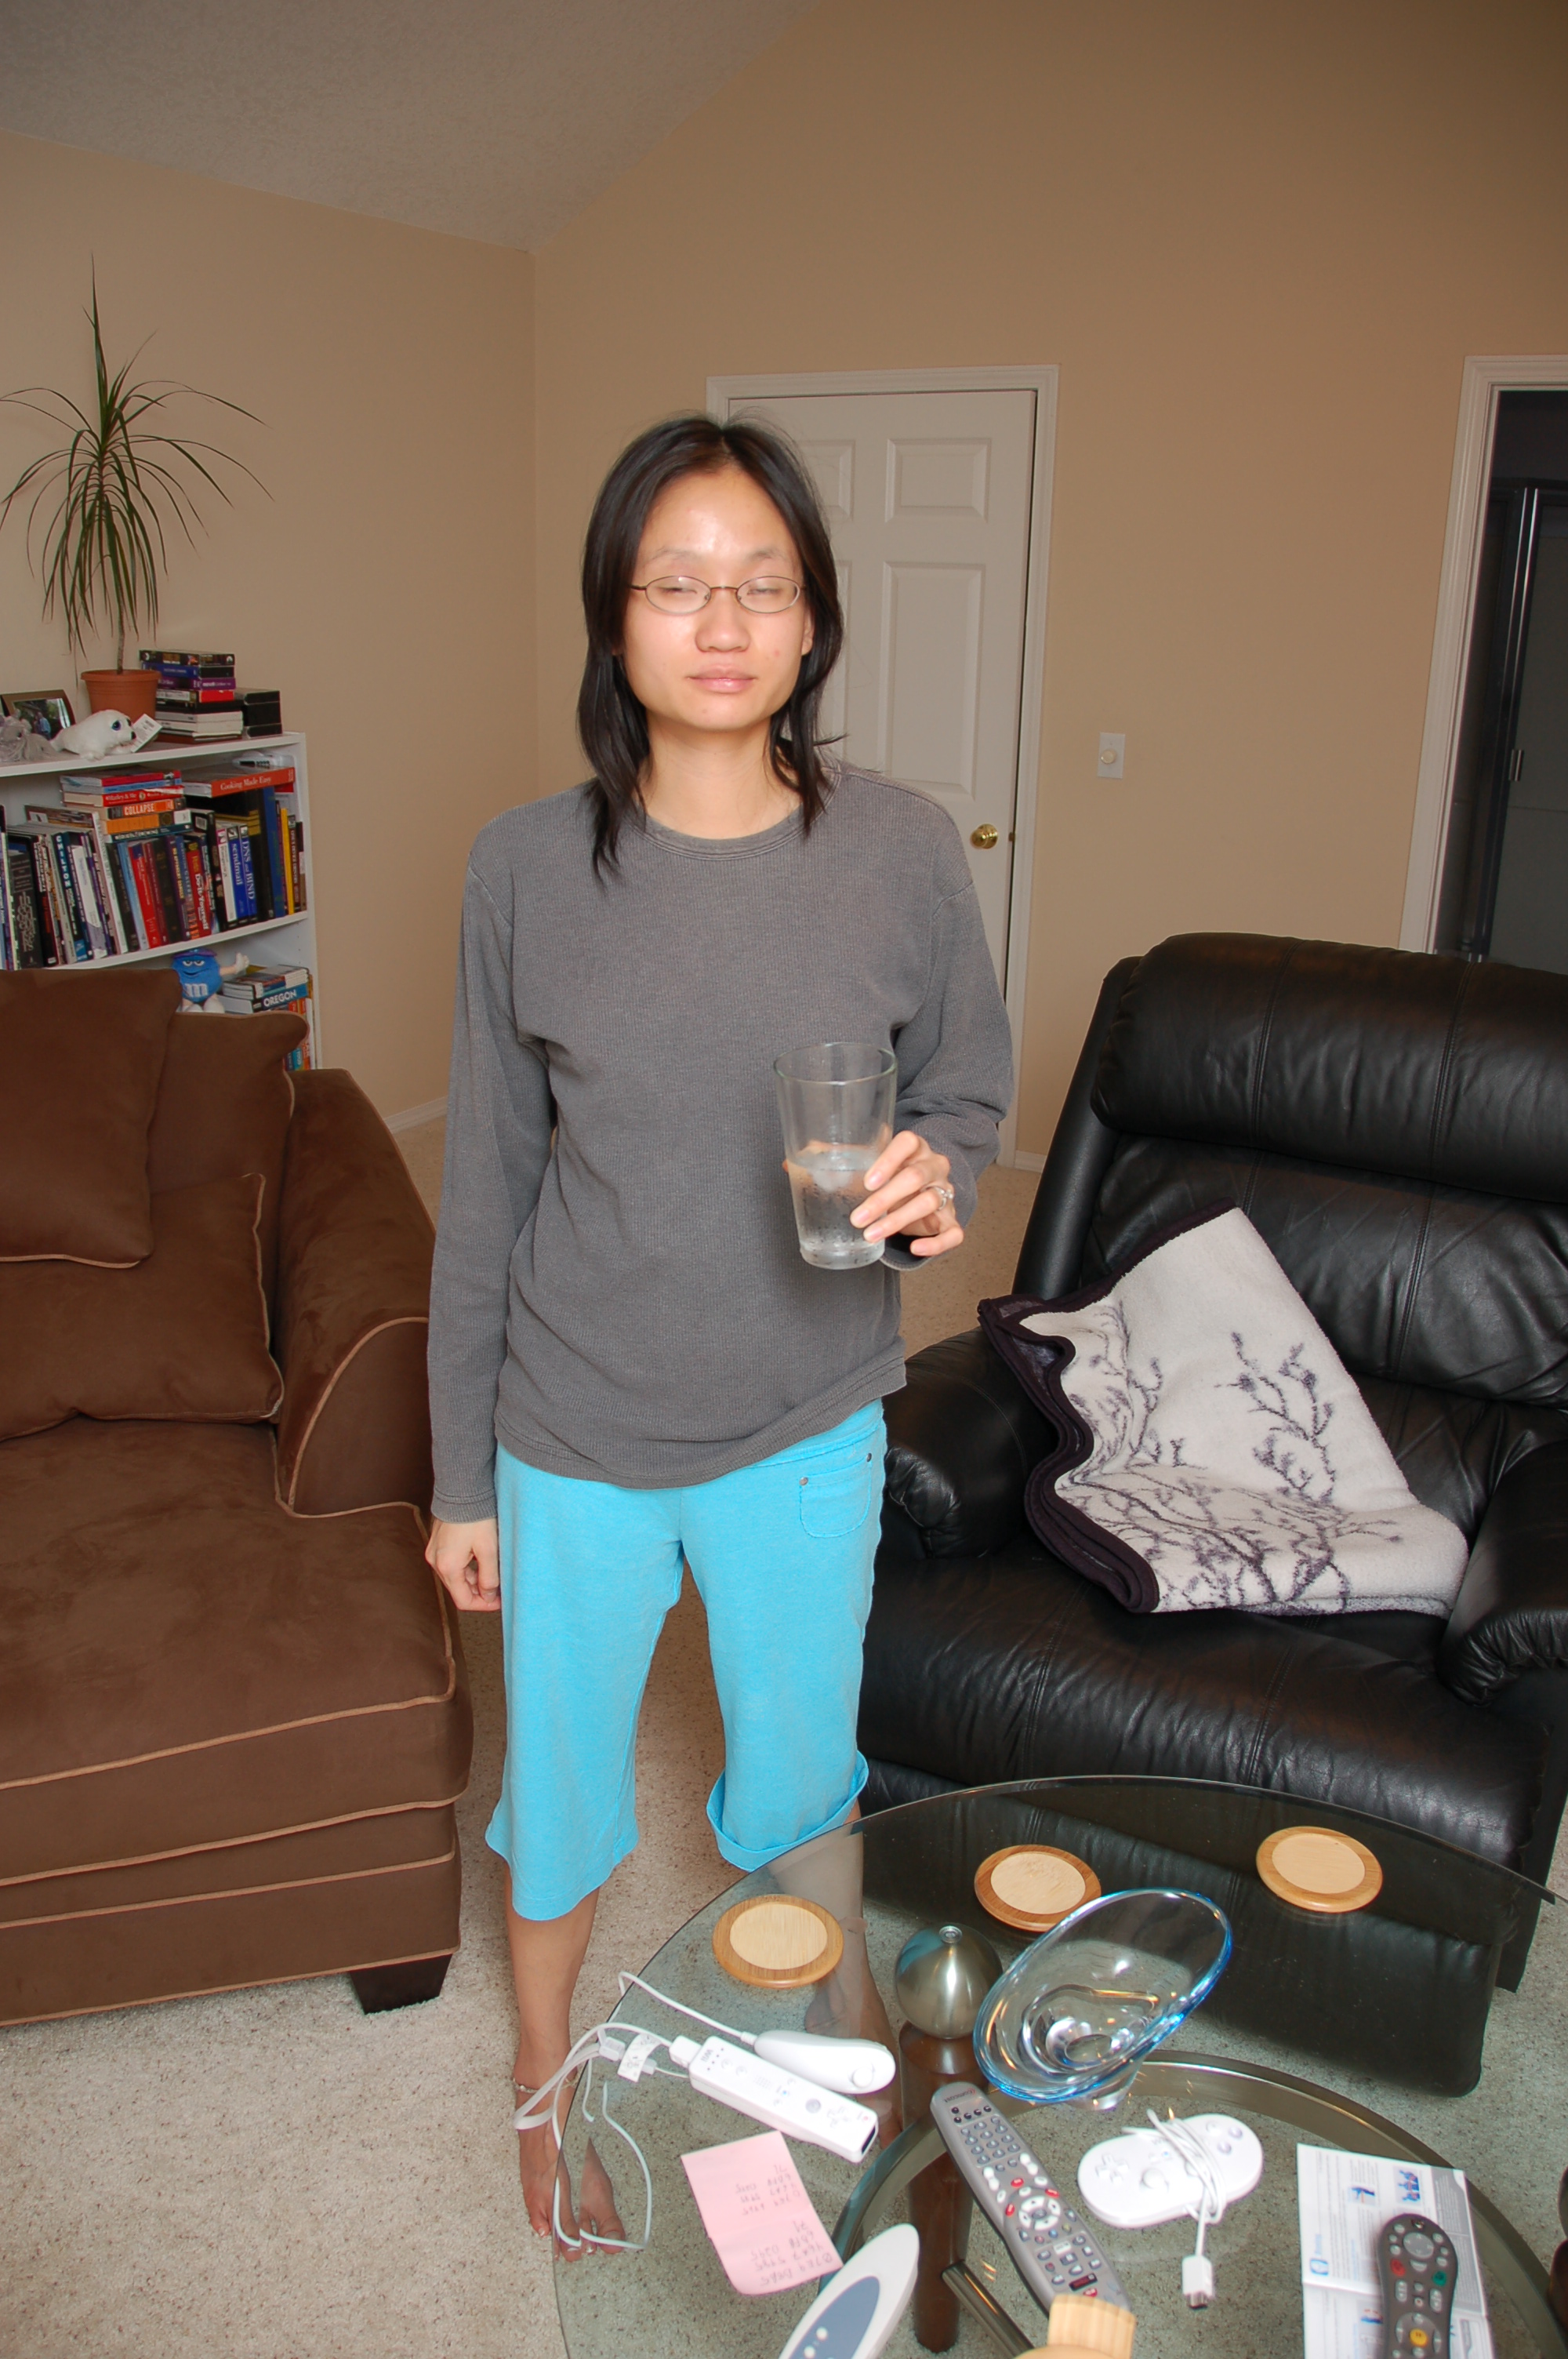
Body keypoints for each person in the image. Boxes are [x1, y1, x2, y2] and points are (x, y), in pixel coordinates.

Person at [425, 413, 1014, 2249]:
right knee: (562, 1794)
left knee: (799, 1785)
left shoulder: (900, 849)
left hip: (805, 1413)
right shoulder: (523, 869)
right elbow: (486, 1185)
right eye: (676, 584)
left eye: (762, 582)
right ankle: (543, 2079)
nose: (722, 620)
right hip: (574, 1428)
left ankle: (848, 2044)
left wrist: (938, 1178)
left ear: (813, 618)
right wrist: (459, 1480)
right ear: (615, 621)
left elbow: (969, 1088)